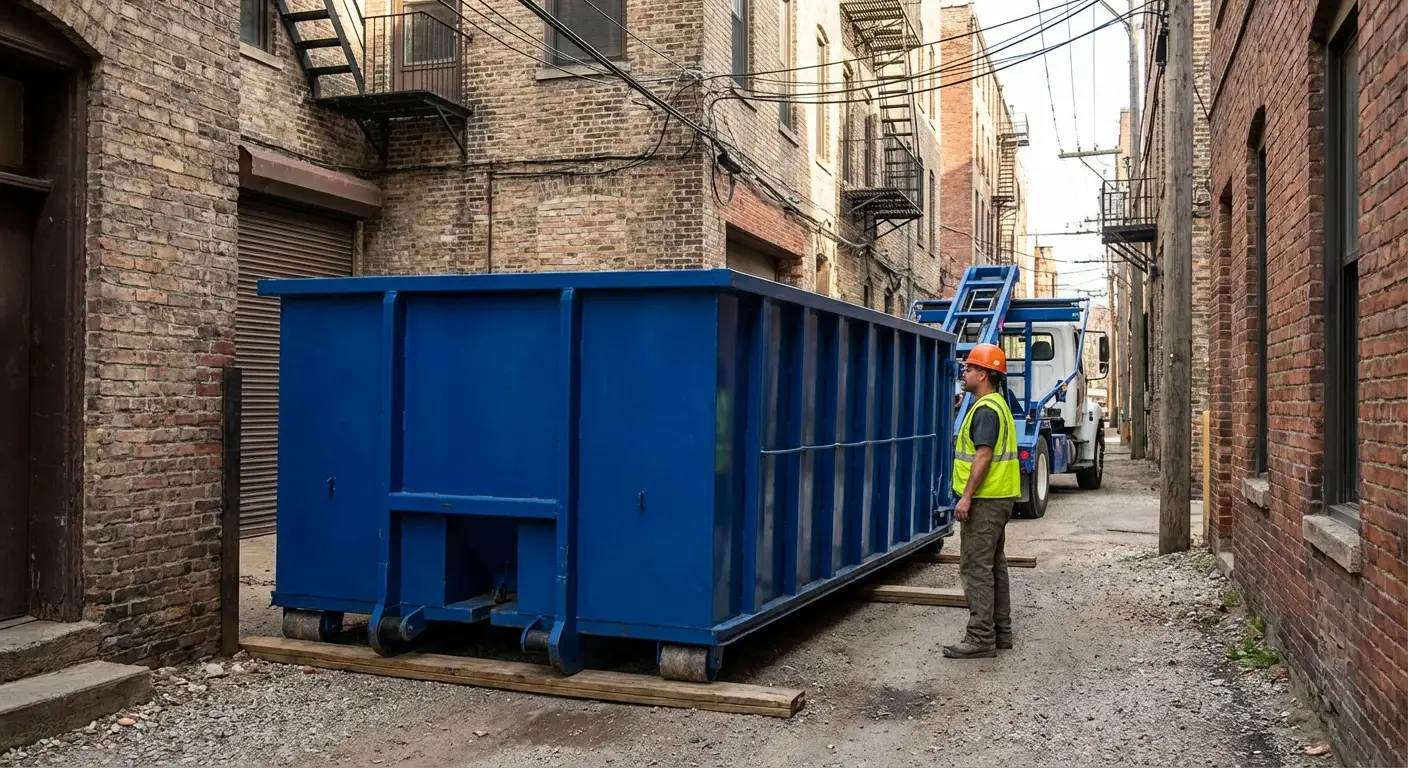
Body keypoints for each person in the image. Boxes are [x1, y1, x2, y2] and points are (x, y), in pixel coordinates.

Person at [942, 342, 1020, 660]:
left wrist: (966, 497)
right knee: (994, 566)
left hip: (986, 500)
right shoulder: (995, 404)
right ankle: (1001, 632)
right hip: (999, 497)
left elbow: (983, 456)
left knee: (975, 567)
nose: (965, 371)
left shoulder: (986, 410)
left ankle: (980, 637)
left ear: (985, 375)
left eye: (971, 368)